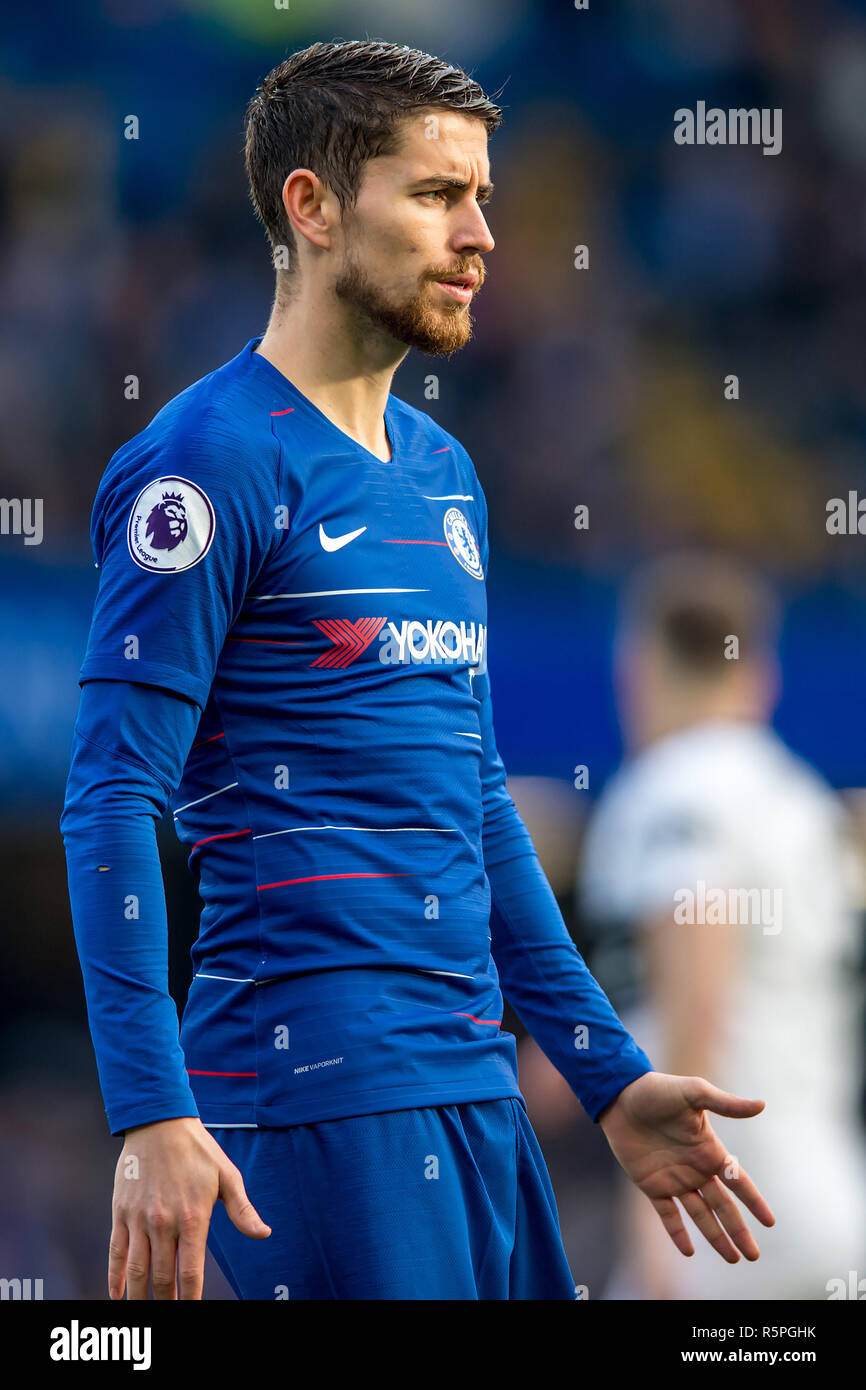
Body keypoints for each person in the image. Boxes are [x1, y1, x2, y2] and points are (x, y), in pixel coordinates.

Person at [60, 41, 774, 1301]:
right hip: (319, 1100)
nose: (481, 233)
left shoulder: (444, 475)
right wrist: (148, 1111)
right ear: (313, 206)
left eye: (484, 197)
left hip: (476, 1091)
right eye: (439, 194)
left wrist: (602, 1070)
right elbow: (113, 796)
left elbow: (476, 796)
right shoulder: (204, 467)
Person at [577, 553, 866, 1298]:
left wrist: (656, 1226)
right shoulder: (801, 797)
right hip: (825, 1201)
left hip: (726, 1220)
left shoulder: (676, 790)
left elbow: (694, 998)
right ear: (759, 672)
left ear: (641, 666)